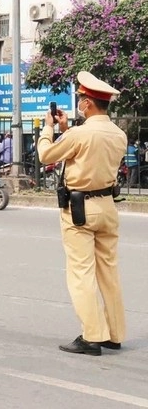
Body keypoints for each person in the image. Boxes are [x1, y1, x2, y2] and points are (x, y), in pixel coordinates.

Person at [37, 71, 127, 356]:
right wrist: (68, 129)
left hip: (80, 211)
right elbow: (87, 152)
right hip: (107, 208)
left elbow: (47, 156)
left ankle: (92, 336)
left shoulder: (80, 133)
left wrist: (48, 129)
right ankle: (114, 334)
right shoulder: (119, 134)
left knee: (81, 273)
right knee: (109, 273)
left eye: (80, 98)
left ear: (88, 103)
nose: (78, 102)